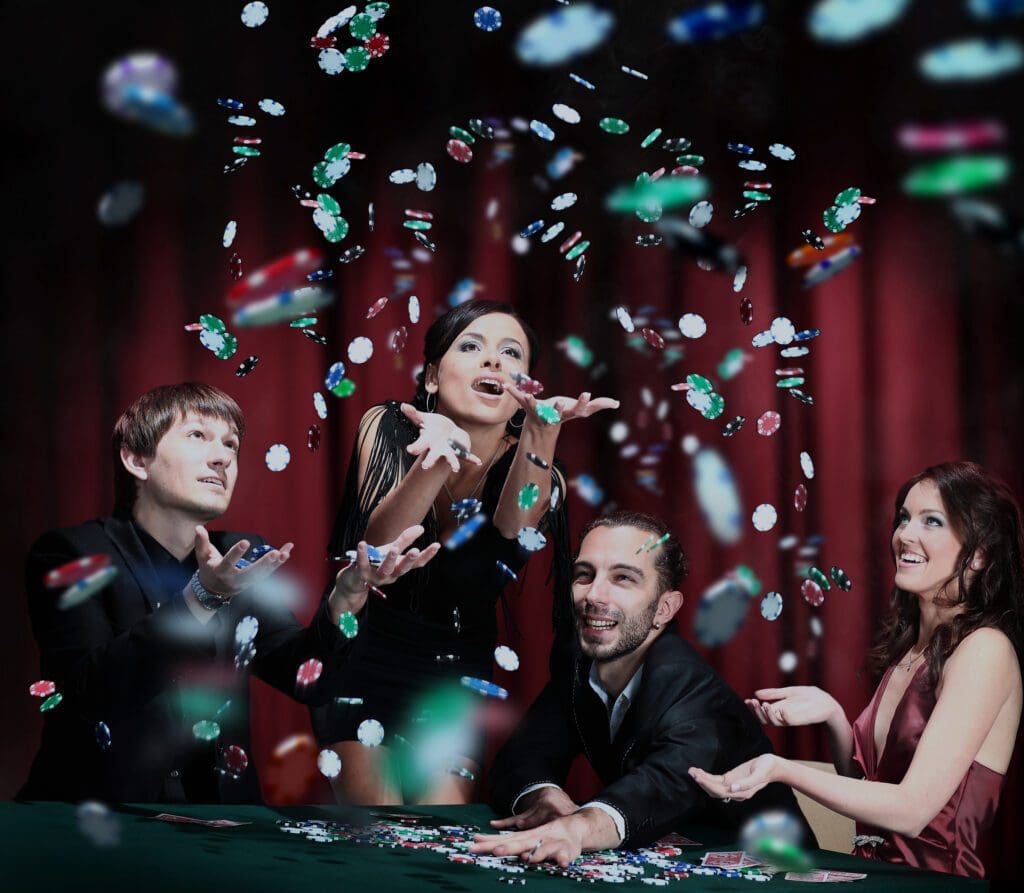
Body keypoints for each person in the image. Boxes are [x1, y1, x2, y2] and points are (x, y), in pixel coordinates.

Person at [20, 382, 436, 804]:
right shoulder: (73, 555)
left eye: (231, 444)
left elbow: (310, 680)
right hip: (92, 821)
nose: (222, 457)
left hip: (218, 828)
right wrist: (201, 597)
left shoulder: (241, 555)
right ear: (136, 459)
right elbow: (87, 695)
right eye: (197, 436)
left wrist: (347, 596)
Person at [313, 300, 618, 805]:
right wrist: (438, 459)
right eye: (472, 347)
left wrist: (543, 429)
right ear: (432, 376)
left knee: (439, 831)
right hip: (361, 648)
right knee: (381, 826)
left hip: (455, 666)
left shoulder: (545, 474)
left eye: (510, 353)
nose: (493, 362)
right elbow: (382, 552)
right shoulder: (388, 425)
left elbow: (511, 533)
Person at [689, 461, 1024, 879]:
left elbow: (911, 811)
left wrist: (780, 768)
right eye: (904, 517)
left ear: (978, 556)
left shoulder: (985, 650)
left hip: (935, 884)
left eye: (932, 521)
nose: (905, 534)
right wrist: (830, 713)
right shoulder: (913, 651)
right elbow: (869, 792)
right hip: (871, 876)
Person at [470, 511, 813, 867]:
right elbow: (523, 756)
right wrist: (544, 796)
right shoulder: (575, 659)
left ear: (664, 608)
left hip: (773, 869)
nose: (594, 595)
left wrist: (579, 828)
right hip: (663, 863)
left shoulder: (693, 688)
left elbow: (661, 787)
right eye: (584, 575)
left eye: (623, 578)